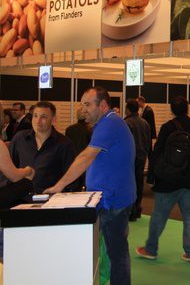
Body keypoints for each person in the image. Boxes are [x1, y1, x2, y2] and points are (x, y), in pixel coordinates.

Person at [45, 87, 136, 285]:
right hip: (110, 198)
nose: (82, 109)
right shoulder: (107, 123)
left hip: (112, 201)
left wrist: (59, 185)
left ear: (102, 105)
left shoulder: (109, 123)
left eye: (87, 104)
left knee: (115, 252)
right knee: (113, 250)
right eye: (82, 104)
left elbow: (87, 156)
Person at [137, 96, 190, 263]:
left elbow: (157, 152)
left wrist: (152, 176)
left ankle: (151, 249)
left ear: (172, 110)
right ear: (188, 108)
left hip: (168, 180)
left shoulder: (167, 127)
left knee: (159, 215)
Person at [9, 101, 78, 194]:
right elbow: (10, 169)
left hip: (50, 198)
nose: (38, 121)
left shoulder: (64, 144)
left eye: (43, 117)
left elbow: (72, 177)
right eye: (35, 116)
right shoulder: (19, 139)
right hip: (21, 198)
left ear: (53, 119)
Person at [124, 99, 152, 221]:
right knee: (139, 183)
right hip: (141, 157)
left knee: (129, 184)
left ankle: (130, 211)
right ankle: (137, 208)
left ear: (128, 109)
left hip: (129, 159)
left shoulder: (126, 123)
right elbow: (148, 142)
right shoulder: (145, 123)